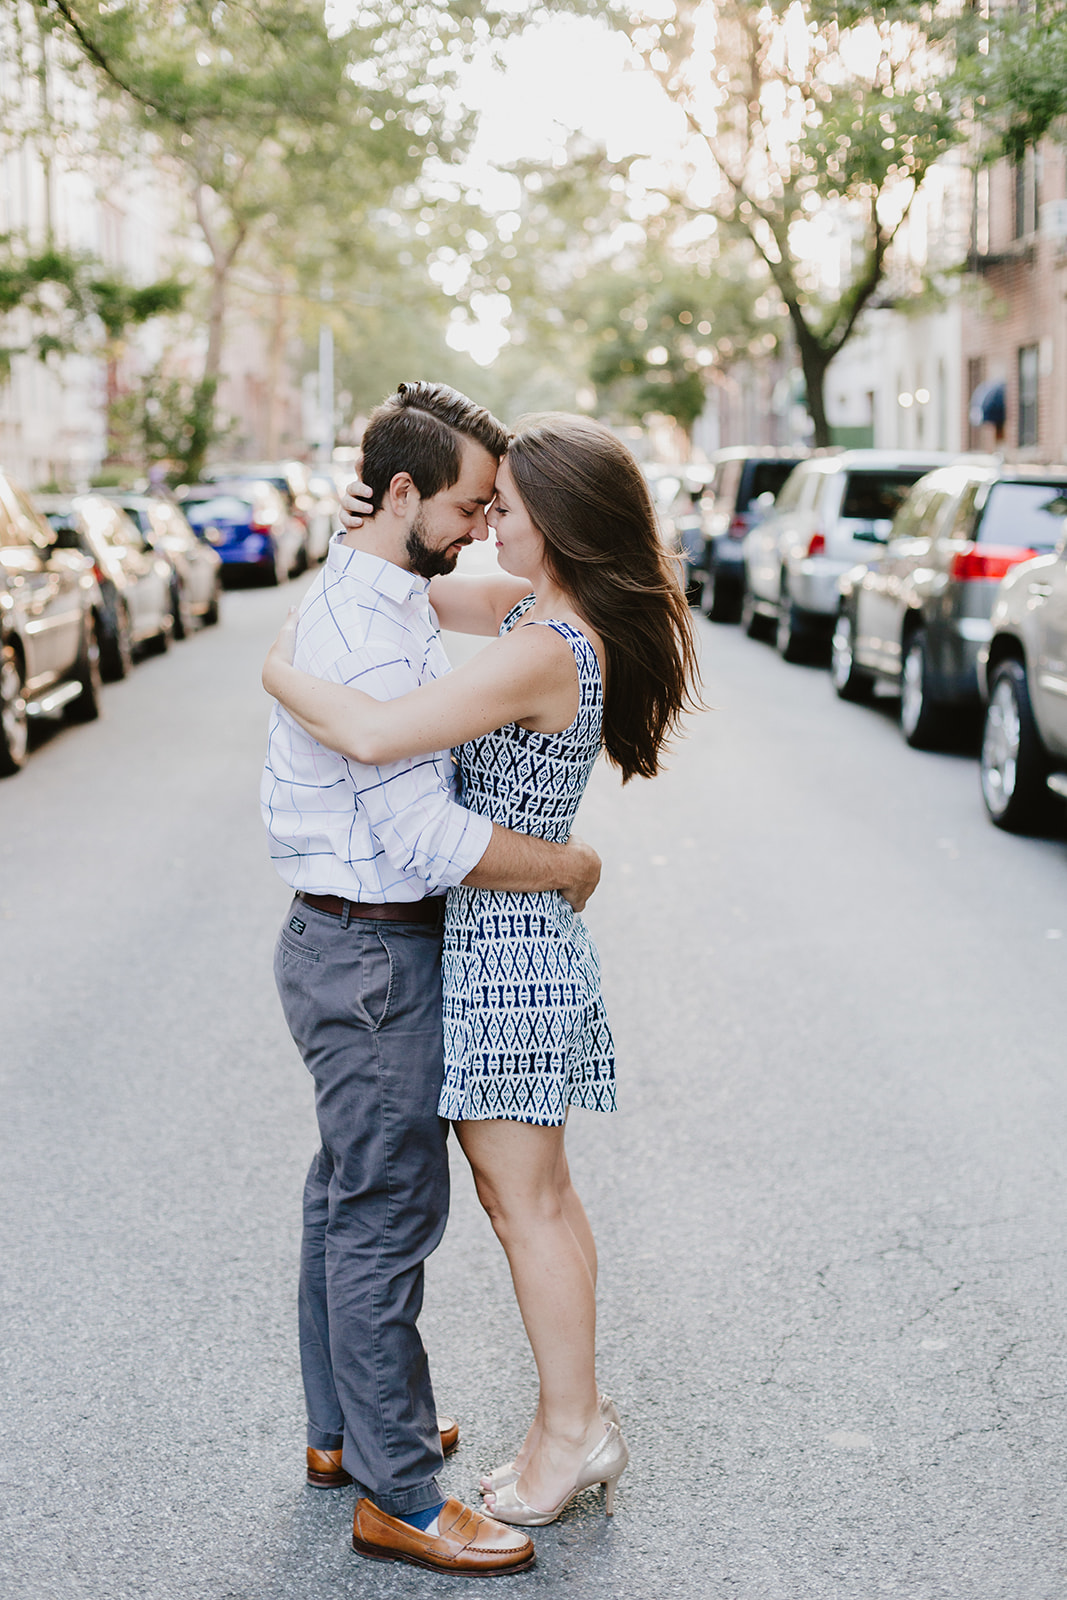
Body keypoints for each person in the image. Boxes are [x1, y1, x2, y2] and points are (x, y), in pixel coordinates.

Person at [263, 408, 701, 1533]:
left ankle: (572, 1431)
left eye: (501, 509)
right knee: (537, 1200)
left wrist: (278, 670)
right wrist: (371, 523)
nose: (484, 526)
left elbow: (375, 734)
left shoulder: (543, 646)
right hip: (506, 941)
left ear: (553, 521)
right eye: (480, 504)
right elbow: (406, 587)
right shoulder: (532, 609)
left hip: (509, 952)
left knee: (526, 1208)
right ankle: (570, 1420)